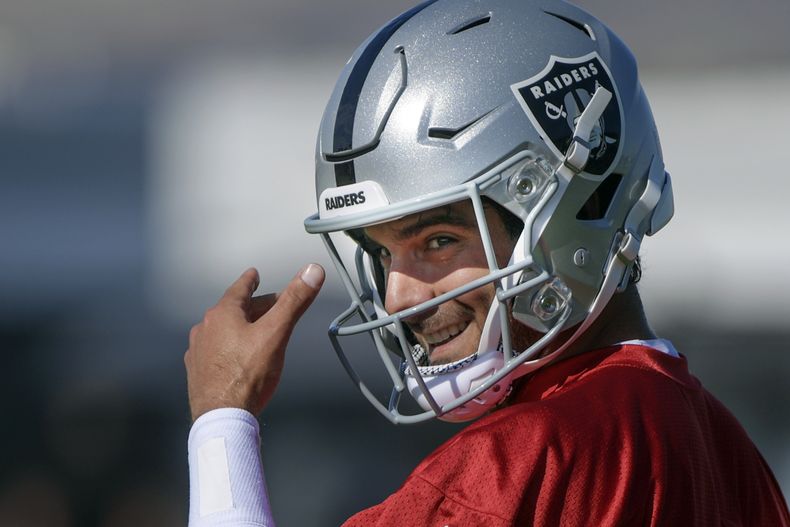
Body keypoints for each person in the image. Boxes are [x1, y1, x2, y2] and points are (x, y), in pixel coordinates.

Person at [184, 0, 790, 525]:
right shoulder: (733, 460)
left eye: (439, 241)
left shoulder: (520, 466)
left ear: (572, 209)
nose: (399, 298)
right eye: (381, 251)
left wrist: (221, 422)